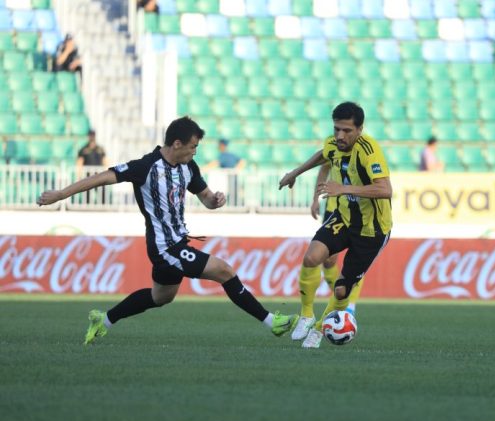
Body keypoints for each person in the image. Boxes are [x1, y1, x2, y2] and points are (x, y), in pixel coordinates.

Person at [36, 116, 298, 344]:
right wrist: (61, 194)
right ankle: (271, 322)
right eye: (193, 146)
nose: (195, 152)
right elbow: (102, 177)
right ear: (177, 144)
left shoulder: (188, 167)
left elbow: (206, 198)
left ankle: (103, 320)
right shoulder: (145, 166)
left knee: (160, 297)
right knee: (225, 270)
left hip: (178, 243)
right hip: (164, 247)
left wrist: (216, 200)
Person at [279, 102, 392, 348]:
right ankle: (306, 315)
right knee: (312, 257)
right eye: (337, 129)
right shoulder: (334, 143)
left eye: (347, 131)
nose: (340, 135)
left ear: (359, 130)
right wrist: (295, 173)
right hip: (344, 217)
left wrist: (344, 188)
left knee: (341, 291)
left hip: (371, 230)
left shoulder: (369, 150)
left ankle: (319, 329)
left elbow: (385, 189)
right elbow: (324, 154)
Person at [293, 161, 365, 341]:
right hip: (334, 207)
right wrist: (315, 198)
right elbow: (324, 167)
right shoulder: (334, 148)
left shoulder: (365, 153)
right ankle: (324, 309)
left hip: (360, 211)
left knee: (353, 261)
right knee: (327, 260)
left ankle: (349, 305)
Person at [205, 138, 246, 206]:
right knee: (234, 195)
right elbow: (242, 162)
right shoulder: (231, 155)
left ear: (222, 145)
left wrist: (204, 168)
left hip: (230, 179)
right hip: (233, 178)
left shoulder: (224, 155)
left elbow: (215, 163)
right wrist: (236, 170)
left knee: (231, 195)